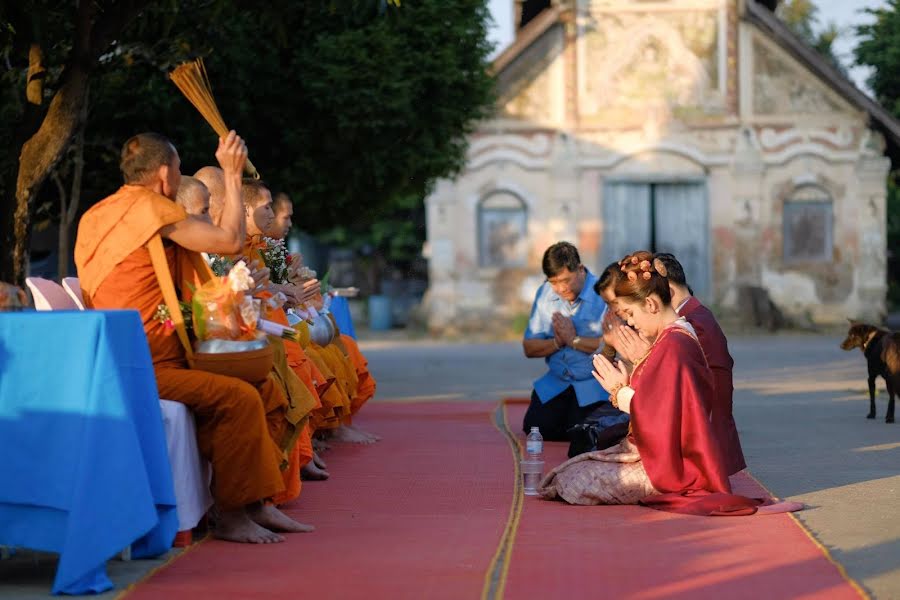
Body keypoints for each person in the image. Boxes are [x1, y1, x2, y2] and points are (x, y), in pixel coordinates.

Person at [75, 131, 311, 542]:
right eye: (179, 169)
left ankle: (258, 502)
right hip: (143, 363)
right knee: (239, 396)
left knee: (266, 387)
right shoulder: (150, 209)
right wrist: (234, 176)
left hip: (136, 352)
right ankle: (233, 513)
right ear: (166, 173)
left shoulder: (97, 214)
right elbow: (230, 242)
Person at [540, 251, 770, 515]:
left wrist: (618, 391)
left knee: (574, 482)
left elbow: (661, 416)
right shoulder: (671, 336)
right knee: (569, 470)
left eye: (628, 312)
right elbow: (663, 398)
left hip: (677, 463)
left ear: (650, 304)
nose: (628, 321)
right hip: (662, 451)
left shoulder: (675, 343)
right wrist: (632, 374)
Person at [611, 253, 746, 476]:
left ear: (665, 292)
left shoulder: (688, 329)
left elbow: (670, 403)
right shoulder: (692, 319)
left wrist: (627, 380)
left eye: (631, 313)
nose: (631, 322)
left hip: (700, 449)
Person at [522, 242, 609, 440]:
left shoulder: (603, 293)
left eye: (565, 280)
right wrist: (557, 342)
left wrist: (574, 339)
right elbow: (529, 348)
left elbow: (614, 348)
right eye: (554, 282)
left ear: (580, 269)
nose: (560, 288)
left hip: (593, 383)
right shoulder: (545, 293)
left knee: (583, 434)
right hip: (558, 381)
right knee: (536, 429)